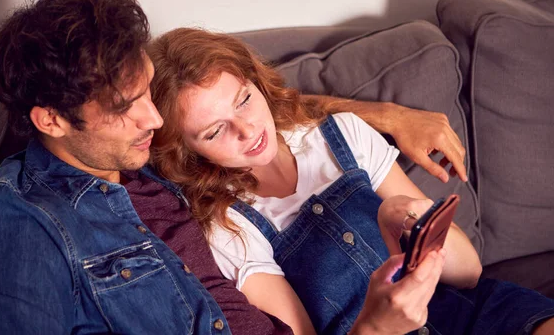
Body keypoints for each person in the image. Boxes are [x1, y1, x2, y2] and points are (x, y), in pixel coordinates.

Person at [0, 0, 471, 334]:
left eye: (148, 93)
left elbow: (245, 109)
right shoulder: (23, 225)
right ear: (52, 120)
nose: (152, 121)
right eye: (124, 109)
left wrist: (385, 114)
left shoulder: (137, 152)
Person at [147, 27, 554, 335]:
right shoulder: (227, 228)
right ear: (187, 149)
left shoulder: (341, 135)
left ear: (256, 80)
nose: (246, 129)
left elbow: (469, 273)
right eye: (214, 131)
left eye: (244, 100)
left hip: (474, 314)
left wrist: (411, 214)